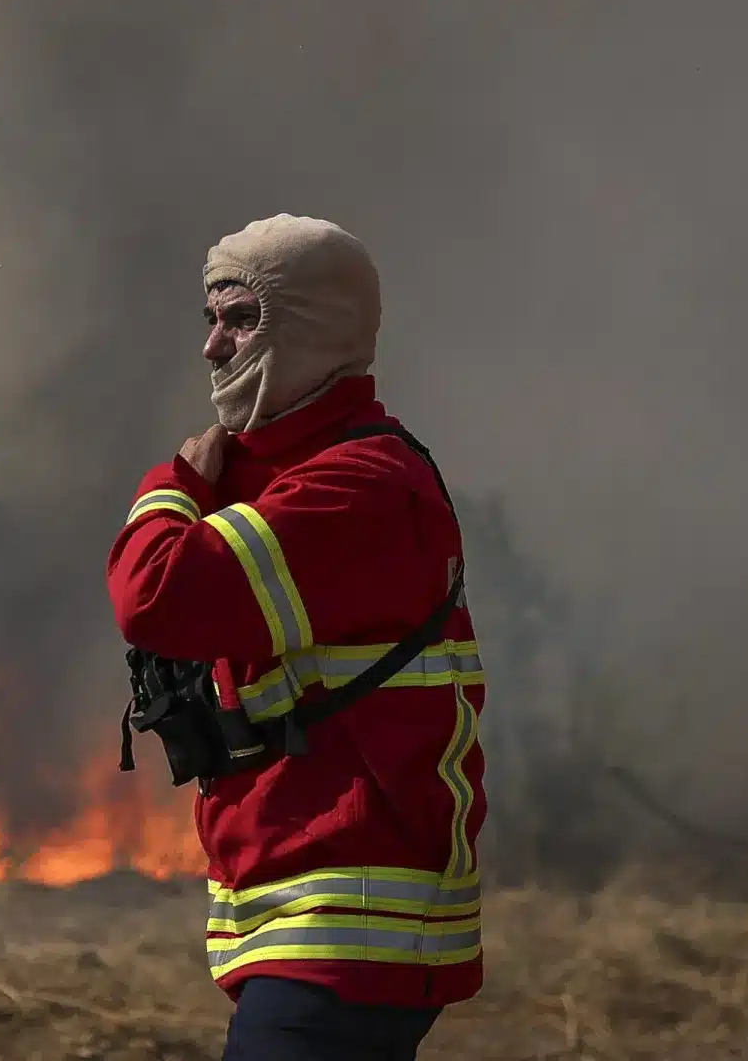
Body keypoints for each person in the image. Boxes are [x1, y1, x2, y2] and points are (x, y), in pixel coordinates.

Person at [107, 214, 487, 1060]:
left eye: (241, 321)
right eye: (210, 320)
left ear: (314, 329)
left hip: (348, 924)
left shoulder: (359, 485)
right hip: (310, 919)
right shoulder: (298, 477)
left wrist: (170, 487)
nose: (213, 348)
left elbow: (154, 596)